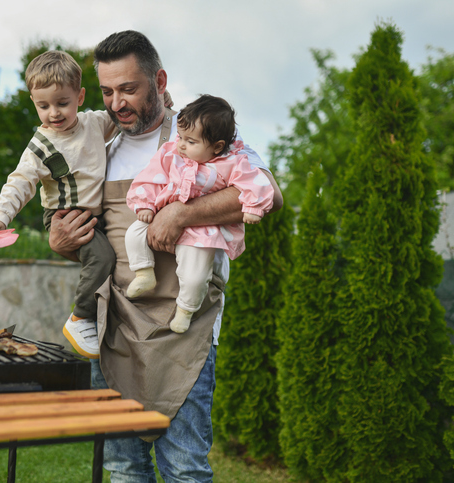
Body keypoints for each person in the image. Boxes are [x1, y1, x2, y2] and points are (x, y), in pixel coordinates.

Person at [48, 31, 283, 482]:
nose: (118, 102)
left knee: (184, 470)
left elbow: (269, 191)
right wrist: (61, 243)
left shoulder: (204, 135)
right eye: (108, 91)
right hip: (113, 330)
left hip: (183, 333)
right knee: (123, 471)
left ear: (159, 80)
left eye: (129, 88)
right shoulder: (101, 150)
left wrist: (182, 212)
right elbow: (94, 241)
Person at [0, 50, 118, 359]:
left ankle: (102, 316)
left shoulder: (95, 123)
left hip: (96, 214)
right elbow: (20, 183)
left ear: (80, 97)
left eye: (62, 103)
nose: (53, 112)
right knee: (103, 257)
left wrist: (160, 101)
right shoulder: (40, 146)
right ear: (34, 102)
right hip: (64, 216)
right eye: (43, 106)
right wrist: (0, 216)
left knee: (119, 258)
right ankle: (81, 317)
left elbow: (125, 116)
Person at [125, 94, 274, 333]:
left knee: (196, 273)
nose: (182, 144)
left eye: (191, 141)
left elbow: (256, 183)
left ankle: (185, 309)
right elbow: (151, 176)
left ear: (217, 146)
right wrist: (145, 204)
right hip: (159, 212)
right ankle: (143, 272)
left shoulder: (232, 162)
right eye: (180, 136)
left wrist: (253, 207)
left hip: (200, 230)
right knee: (133, 233)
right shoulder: (171, 153)